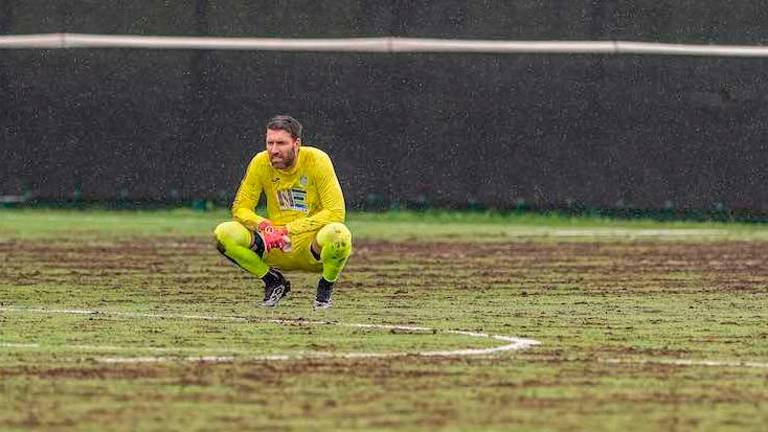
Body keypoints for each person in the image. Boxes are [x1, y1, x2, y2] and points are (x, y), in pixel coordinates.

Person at [213, 115, 352, 309]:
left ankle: (325, 289)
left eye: (281, 143)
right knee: (224, 233)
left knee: (340, 234)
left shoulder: (317, 160)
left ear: (297, 144)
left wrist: (287, 230)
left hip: (312, 248)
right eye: (270, 143)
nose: (274, 150)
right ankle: (272, 281)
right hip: (275, 247)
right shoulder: (260, 162)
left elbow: (335, 212)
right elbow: (240, 208)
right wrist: (264, 225)